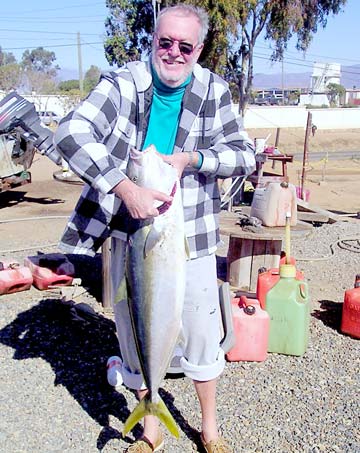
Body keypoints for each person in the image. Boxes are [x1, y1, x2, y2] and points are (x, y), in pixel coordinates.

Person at [54, 4, 255, 452]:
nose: (174, 52)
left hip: (194, 232)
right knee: (134, 327)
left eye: (185, 46)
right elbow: (70, 131)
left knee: (201, 331)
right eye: (165, 42)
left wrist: (194, 159)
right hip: (130, 233)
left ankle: (209, 428)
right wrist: (126, 187)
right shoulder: (124, 83)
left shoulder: (213, 90)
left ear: (198, 49)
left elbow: (244, 155)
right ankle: (150, 426)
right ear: (153, 41)